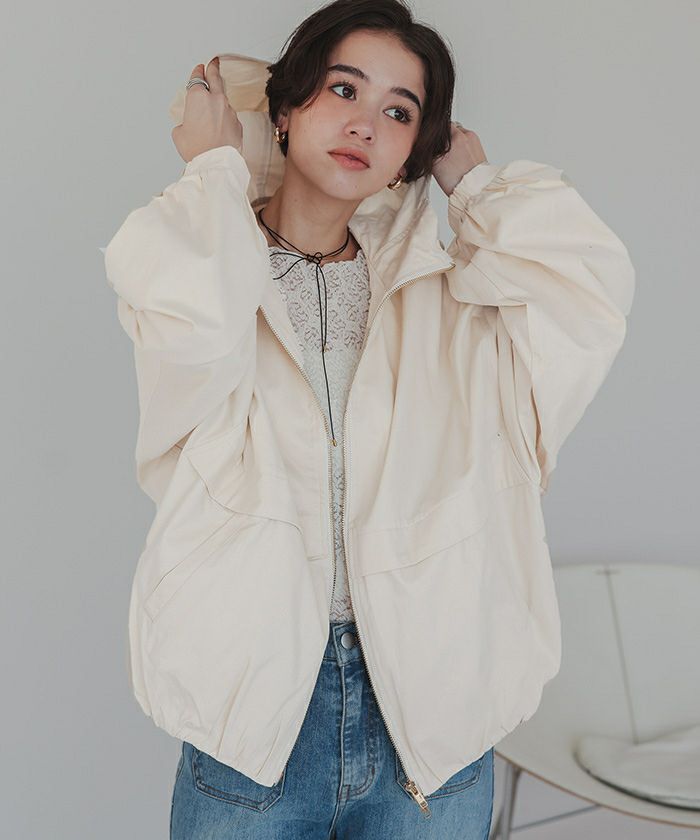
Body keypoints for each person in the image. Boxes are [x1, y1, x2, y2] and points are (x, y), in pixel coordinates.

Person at [102, 0, 635, 836]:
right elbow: (194, 323)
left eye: (399, 112)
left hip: (432, 717)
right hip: (253, 714)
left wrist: (477, 185)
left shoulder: (453, 302)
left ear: (413, 151)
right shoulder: (201, 259)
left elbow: (588, 297)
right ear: (286, 108)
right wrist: (213, 170)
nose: (365, 125)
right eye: (344, 90)